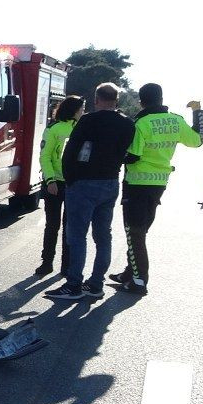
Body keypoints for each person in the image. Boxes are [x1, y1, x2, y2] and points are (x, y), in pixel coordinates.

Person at [107, 83, 203, 295]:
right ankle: (129, 272)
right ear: (161, 99)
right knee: (140, 231)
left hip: (137, 184)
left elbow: (133, 156)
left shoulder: (141, 123)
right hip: (159, 183)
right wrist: (198, 112)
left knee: (134, 232)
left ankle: (139, 281)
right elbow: (198, 140)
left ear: (141, 101)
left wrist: (111, 157)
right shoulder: (176, 121)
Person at [44, 83, 135, 301]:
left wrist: (71, 179)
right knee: (103, 236)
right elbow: (128, 152)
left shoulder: (87, 121)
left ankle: (74, 284)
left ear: (97, 99)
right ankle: (96, 284)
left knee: (77, 236)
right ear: (117, 100)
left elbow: (71, 152)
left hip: (83, 184)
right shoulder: (127, 124)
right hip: (111, 182)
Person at [35, 95, 83, 276]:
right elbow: (45, 156)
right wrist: (50, 180)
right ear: (74, 110)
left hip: (73, 184)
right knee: (54, 225)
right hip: (55, 184)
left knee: (65, 226)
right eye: (81, 109)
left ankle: (65, 265)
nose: (83, 112)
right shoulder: (54, 129)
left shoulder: (82, 128)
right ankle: (48, 262)